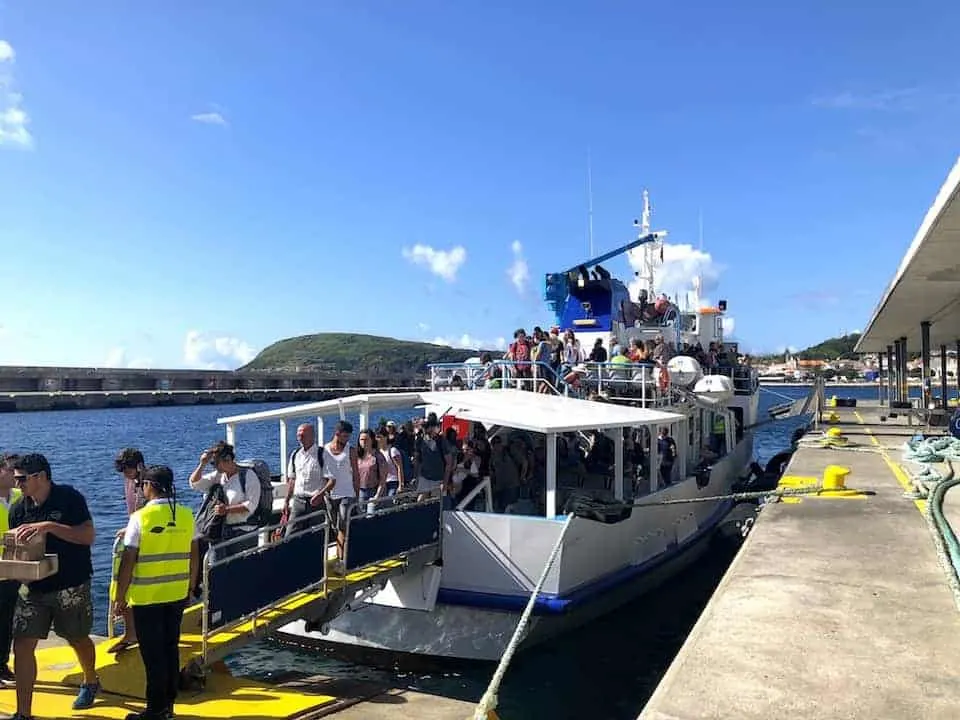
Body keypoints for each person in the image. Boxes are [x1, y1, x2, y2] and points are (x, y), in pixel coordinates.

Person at [9, 453, 100, 718]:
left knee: (77, 637)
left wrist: (49, 527)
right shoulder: (18, 510)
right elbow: (21, 551)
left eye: (22, 479)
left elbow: (88, 536)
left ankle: (90, 680)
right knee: (23, 644)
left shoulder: (69, 498)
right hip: (33, 587)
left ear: (40, 476)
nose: (18, 485)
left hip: (70, 584)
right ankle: (23, 713)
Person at [114, 465, 198, 720]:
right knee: (170, 649)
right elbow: (195, 554)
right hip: (176, 594)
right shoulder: (185, 514)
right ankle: (168, 706)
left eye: (143, 485)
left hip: (147, 597)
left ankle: (155, 709)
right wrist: (191, 586)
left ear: (150, 486)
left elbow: (129, 560)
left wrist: (120, 597)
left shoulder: (140, 518)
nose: (141, 488)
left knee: (153, 656)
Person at [109, 447, 147, 653]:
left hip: (146, 541)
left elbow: (151, 512)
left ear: (139, 466)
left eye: (127, 470)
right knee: (125, 586)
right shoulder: (130, 482)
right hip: (134, 538)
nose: (125, 474)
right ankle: (131, 632)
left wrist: (131, 528)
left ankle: (136, 631)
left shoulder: (152, 482)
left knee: (134, 586)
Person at [0, 453, 23, 684]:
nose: (16, 475)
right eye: (11, 470)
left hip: (17, 570)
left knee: (9, 620)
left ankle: (2, 664)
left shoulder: (19, 497)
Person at [283, 423, 325, 537]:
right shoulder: (295, 454)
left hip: (316, 502)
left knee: (317, 536)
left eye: (303, 435)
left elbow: (330, 480)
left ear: (312, 436)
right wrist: (286, 501)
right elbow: (292, 479)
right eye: (298, 435)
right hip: (298, 501)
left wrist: (321, 495)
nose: (300, 438)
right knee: (290, 536)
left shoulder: (323, 454)